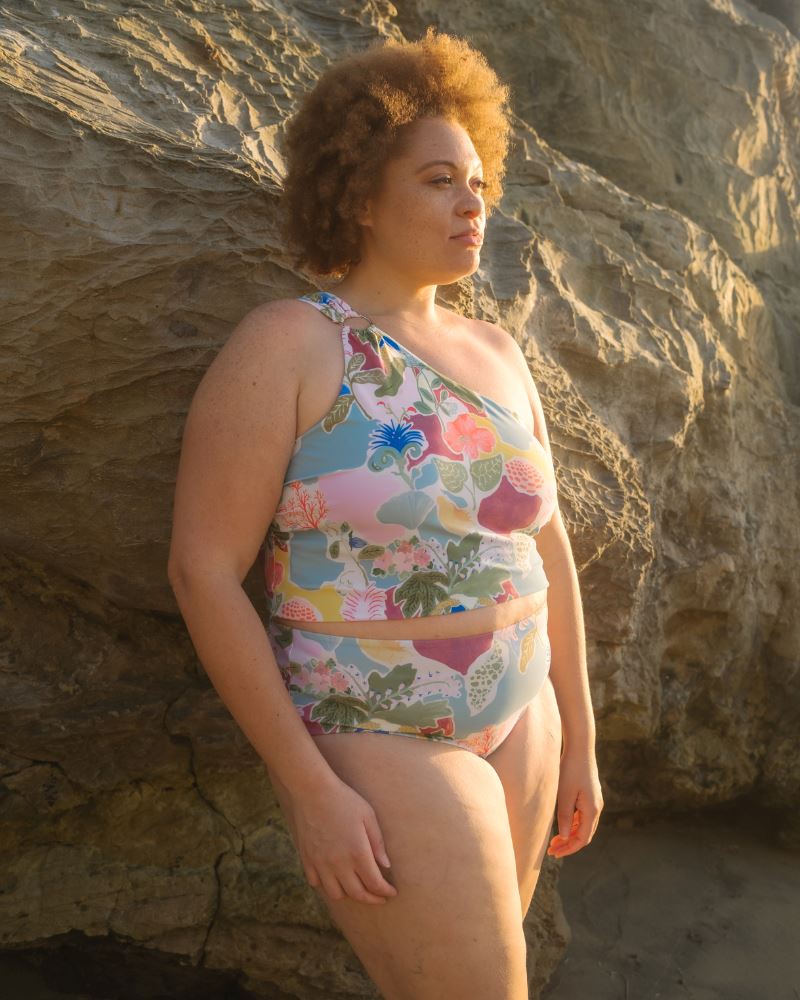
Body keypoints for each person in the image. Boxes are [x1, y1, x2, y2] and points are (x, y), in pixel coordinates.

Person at [168, 26, 603, 1000]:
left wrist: (577, 733)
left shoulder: (497, 348)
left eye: (477, 180)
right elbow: (201, 570)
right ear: (360, 195)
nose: (471, 201)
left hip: (518, 709)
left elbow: (547, 545)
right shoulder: (288, 344)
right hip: (376, 726)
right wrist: (307, 785)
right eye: (438, 179)